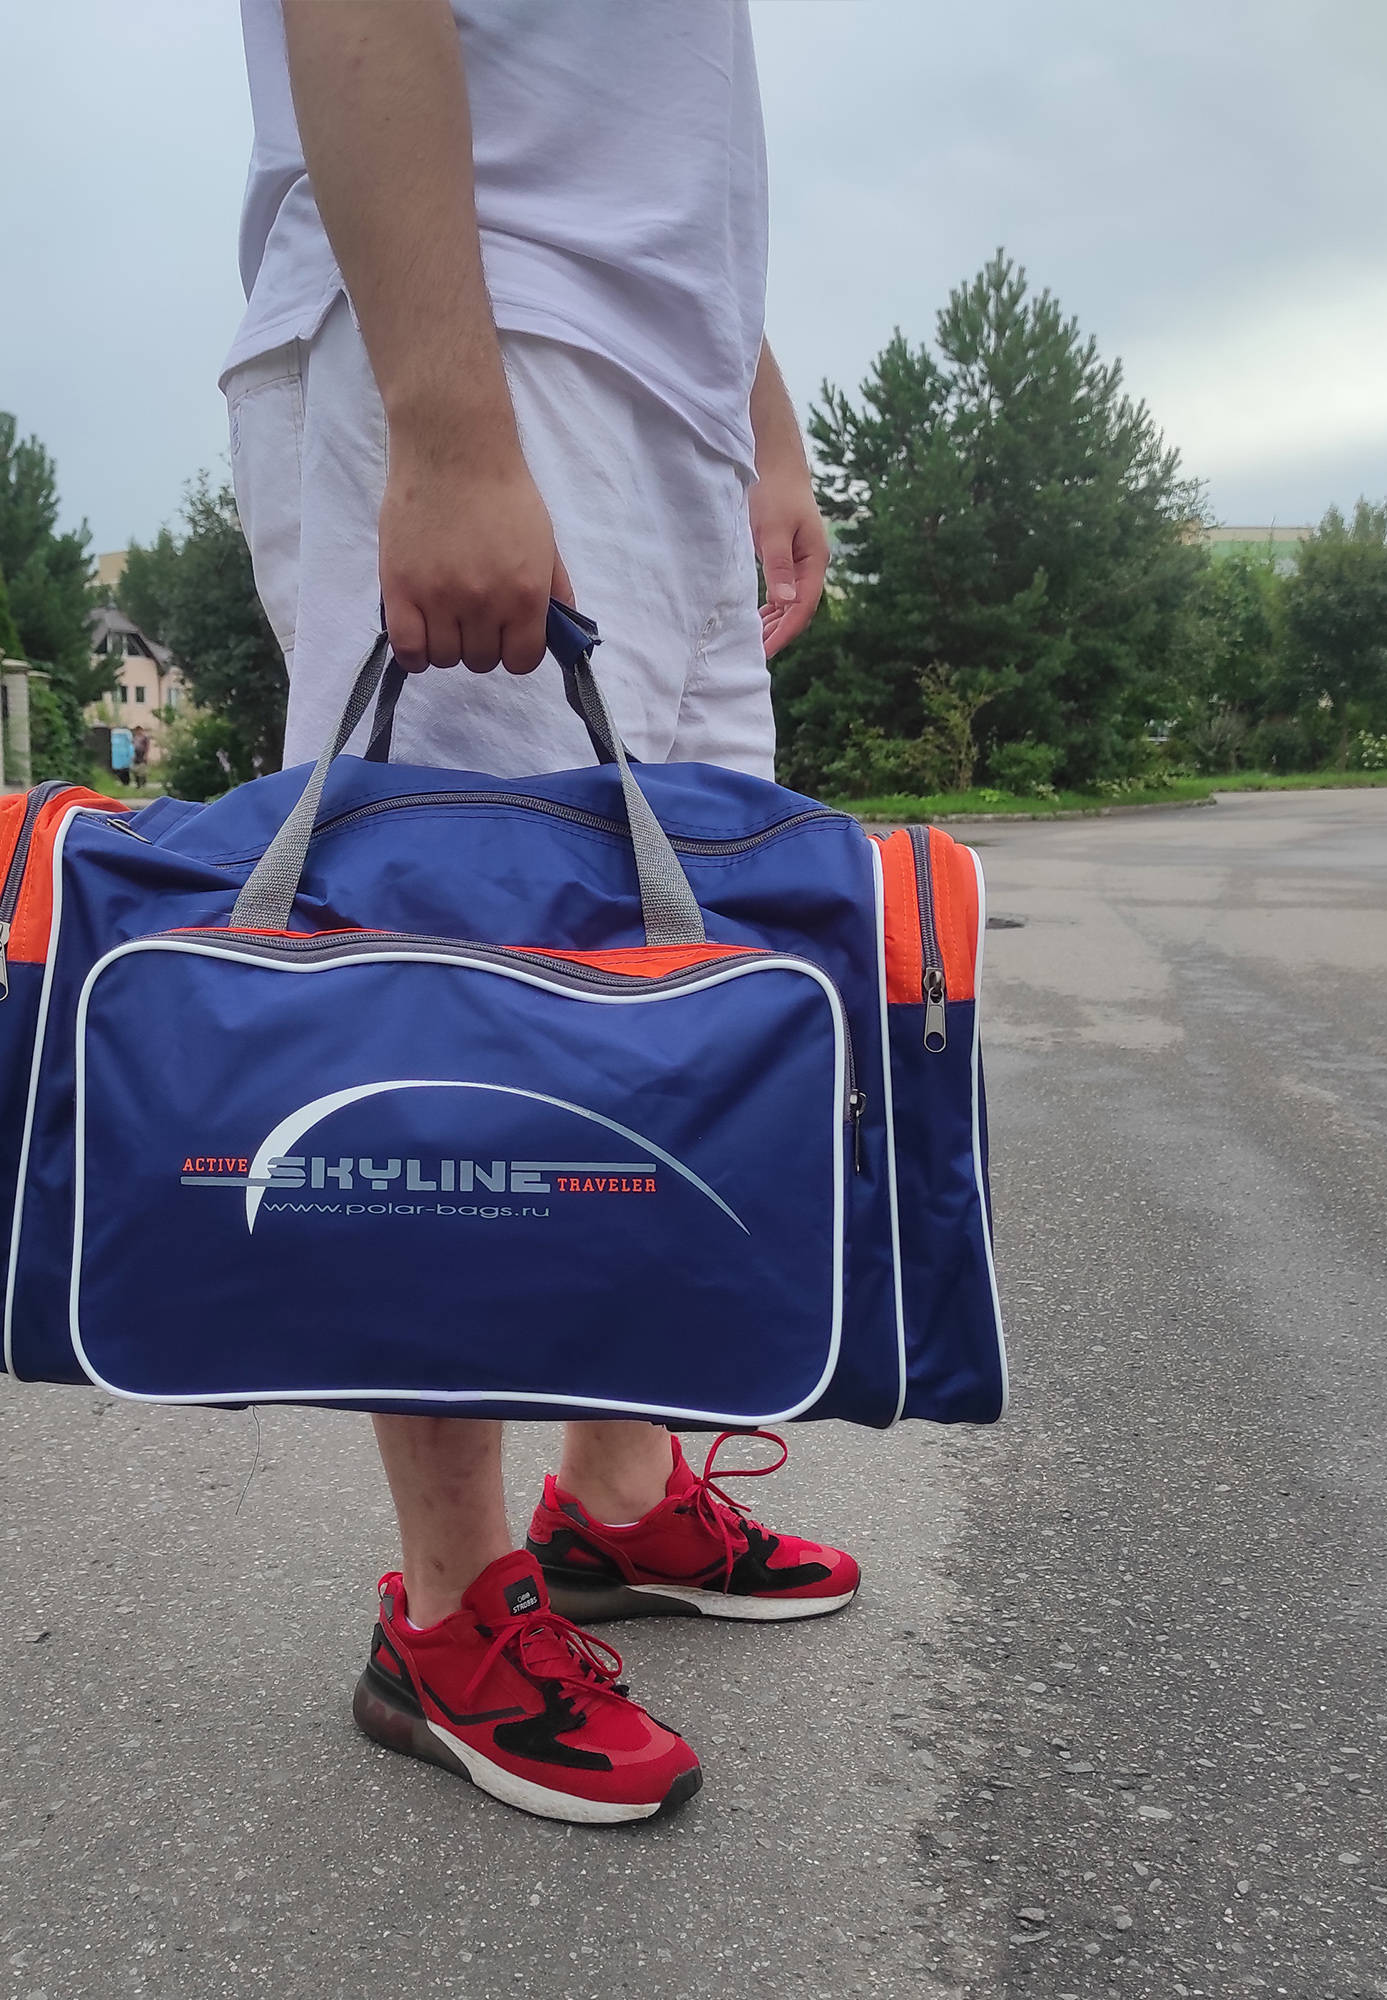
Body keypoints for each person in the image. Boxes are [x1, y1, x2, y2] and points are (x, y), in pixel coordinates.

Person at [223, 1, 856, 1824]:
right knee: (450, 1014)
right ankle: (445, 1611)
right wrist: (444, 423)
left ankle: (618, 1493)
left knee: (662, 998)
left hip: (662, 393)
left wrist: (760, 421)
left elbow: (669, 114)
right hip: (481, 335)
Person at [109, 724, 135, 791]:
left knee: (120, 772)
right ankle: (125, 783)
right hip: (124, 759)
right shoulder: (126, 735)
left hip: (116, 759)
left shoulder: (114, 735)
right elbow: (131, 747)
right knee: (125, 772)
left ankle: (123, 783)